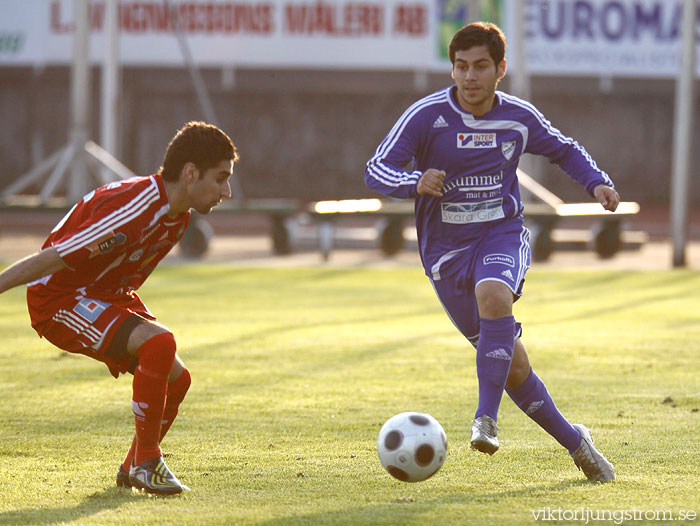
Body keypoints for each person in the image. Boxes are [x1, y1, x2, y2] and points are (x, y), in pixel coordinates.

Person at [365, 22, 617, 482]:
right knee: (515, 366)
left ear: (500, 69)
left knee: (495, 295)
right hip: (445, 258)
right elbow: (376, 169)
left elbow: (563, 149)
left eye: (481, 66)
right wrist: (412, 182)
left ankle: (486, 419)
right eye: (461, 67)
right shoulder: (426, 116)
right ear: (452, 69)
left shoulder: (518, 117)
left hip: (500, 234)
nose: (470, 77)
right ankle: (576, 443)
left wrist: (596, 180)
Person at [0, 121, 237, 495]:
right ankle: (147, 462)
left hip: (104, 293)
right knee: (159, 344)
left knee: (179, 380)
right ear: (190, 173)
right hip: (58, 297)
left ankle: (133, 466)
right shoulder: (133, 208)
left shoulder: (178, 216)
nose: (227, 190)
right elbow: (51, 259)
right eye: (221, 178)